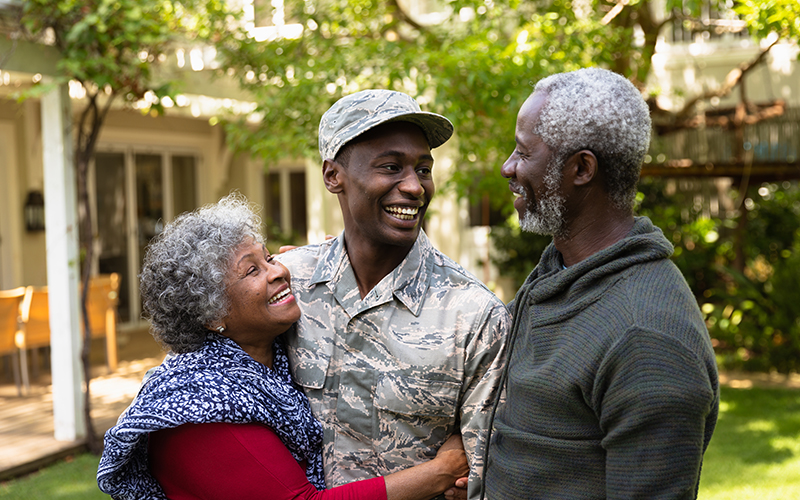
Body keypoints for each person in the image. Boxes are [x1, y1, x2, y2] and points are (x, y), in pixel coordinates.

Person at [96, 194, 470, 500]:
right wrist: (441, 472)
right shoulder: (199, 404)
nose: (279, 271)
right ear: (212, 315)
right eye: (251, 270)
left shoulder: (266, 358)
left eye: (269, 256)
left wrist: (332, 259)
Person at [481, 67, 720, 499]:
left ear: (582, 168)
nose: (508, 167)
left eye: (523, 152)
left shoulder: (646, 339)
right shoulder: (558, 273)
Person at [277, 90, 510, 500]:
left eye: (423, 169)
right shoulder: (288, 286)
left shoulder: (472, 315)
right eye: (390, 167)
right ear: (334, 176)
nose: (415, 187)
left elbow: (483, 479)